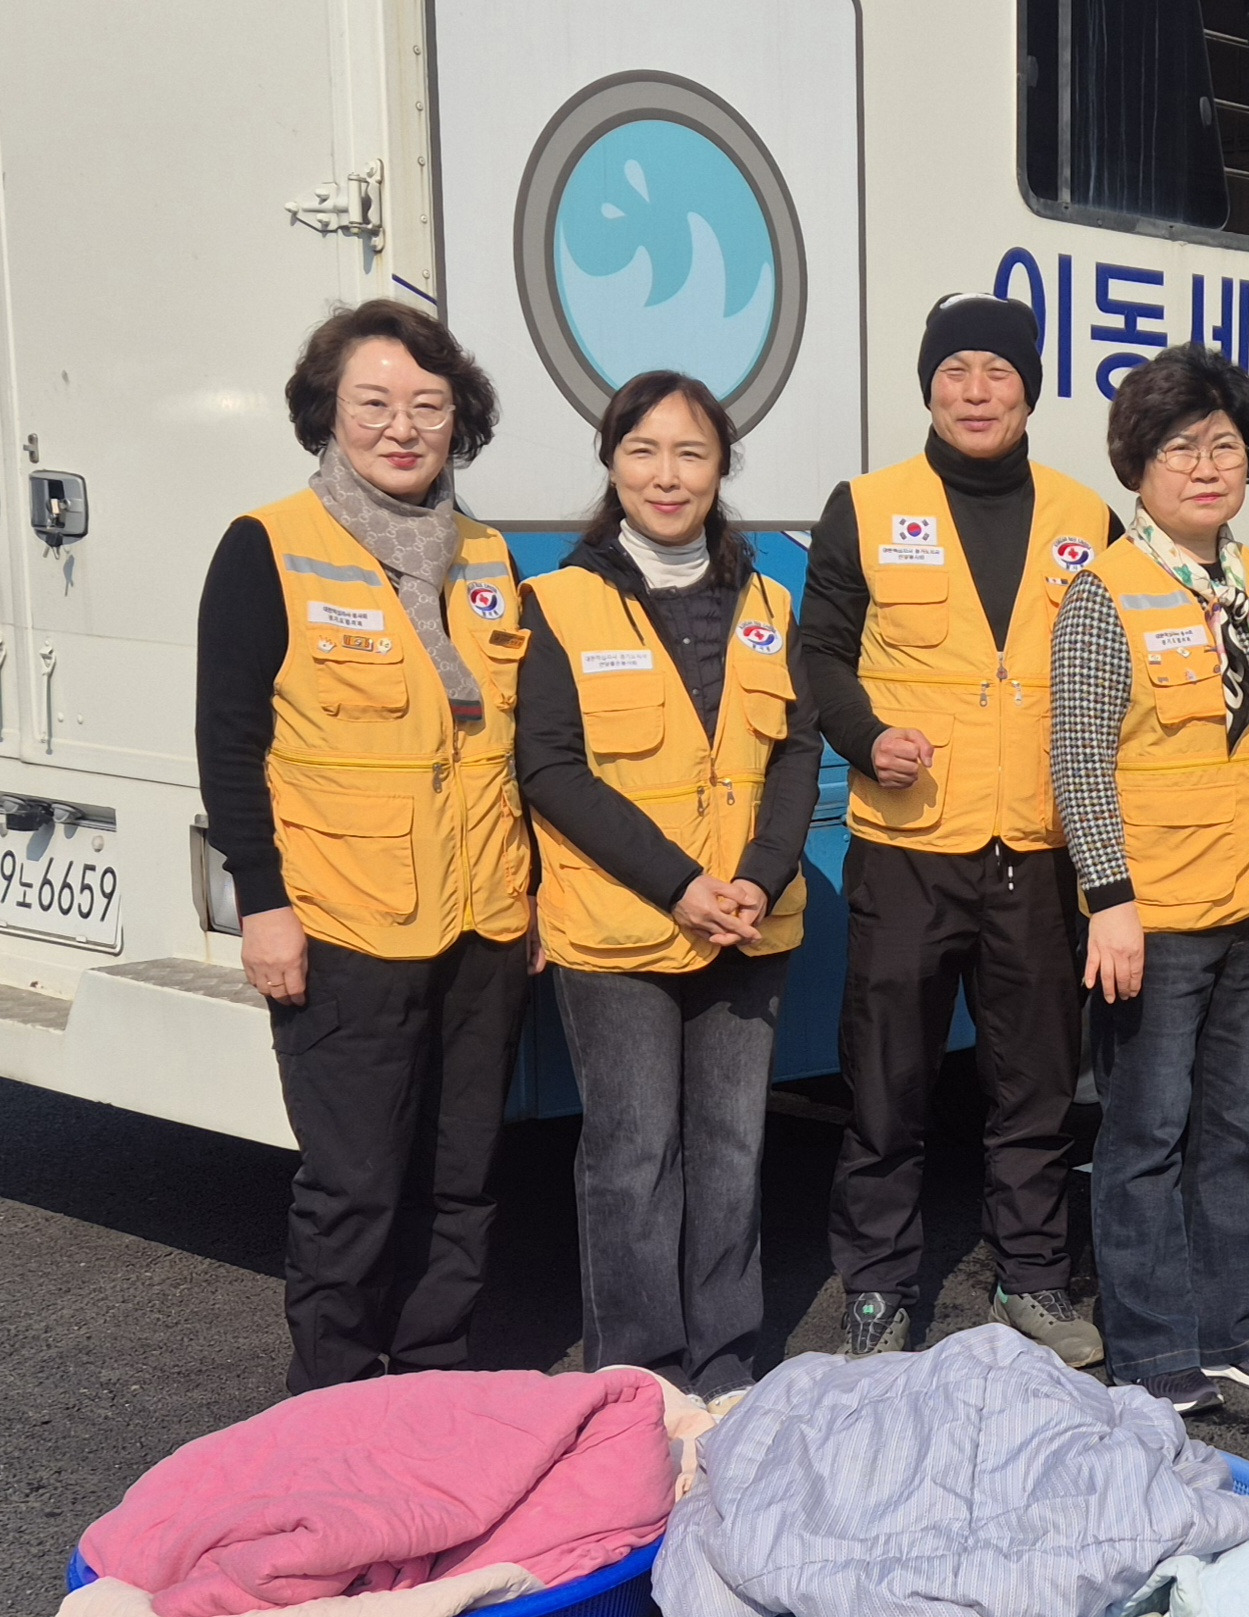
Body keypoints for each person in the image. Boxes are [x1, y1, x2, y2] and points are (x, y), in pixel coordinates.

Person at [195, 300, 534, 1393]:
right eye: (374, 403)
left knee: (462, 1180)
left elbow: (513, 744)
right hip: (343, 920)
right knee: (353, 1188)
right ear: (326, 413)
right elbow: (230, 744)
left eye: (428, 406)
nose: (403, 427)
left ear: (459, 419)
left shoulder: (486, 554)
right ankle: (331, 1404)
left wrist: (529, 895)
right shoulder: (268, 547)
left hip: (484, 921)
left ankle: (430, 1384)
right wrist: (263, 904)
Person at [794, 293, 1113, 1363]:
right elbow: (819, 652)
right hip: (909, 848)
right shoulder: (866, 505)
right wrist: (863, 735)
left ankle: (1034, 1277)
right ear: (928, 387)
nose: (976, 392)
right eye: (954, 372)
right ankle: (878, 1289)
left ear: (1031, 389)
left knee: (1035, 1089)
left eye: (998, 372)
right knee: (888, 1089)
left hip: (1038, 848)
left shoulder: (1086, 516)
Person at [516, 371, 818, 1399]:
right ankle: (639, 1380)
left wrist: (758, 878)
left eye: (691, 452)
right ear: (610, 463)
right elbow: (550, 767)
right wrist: (682, 883)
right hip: (620, 927)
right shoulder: (559, 604)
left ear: (722, 467)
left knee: (732, 1148)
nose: (667, 474)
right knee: (633, 1154)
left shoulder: (769, 601)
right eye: (643, 450)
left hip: (747, 921)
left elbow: (794, 754)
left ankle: (726, 1368)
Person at [1052, 343, 1249, 1415]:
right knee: (1144, 1135)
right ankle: (1152, 1343)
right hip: (1152, 920)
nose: (1206, 467)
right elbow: (1077, 758)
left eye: (1224, 446)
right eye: (1179, 448)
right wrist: (1109, 901)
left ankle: (1230, 1323)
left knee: (1234, 1132)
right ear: (1136, 465)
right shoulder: (1104, 593)